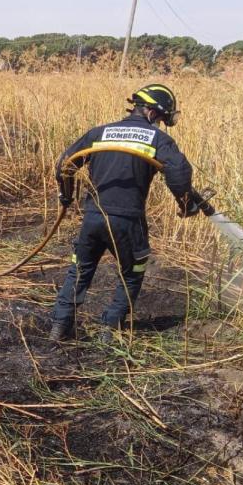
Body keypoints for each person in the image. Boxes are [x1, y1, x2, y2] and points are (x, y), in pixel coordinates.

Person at [49, 84, 212, 342]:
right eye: (161, 118)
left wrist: (66, 196)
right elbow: (179, 174)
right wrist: (186, 205)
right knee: (132, 272)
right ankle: (111, 328)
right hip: (127, 221)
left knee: (79, 270)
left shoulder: (99, 133)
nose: (160, 123)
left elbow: (64, 165)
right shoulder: (158, 139)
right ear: (153, 114)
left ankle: (60, 326)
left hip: (93, 217)